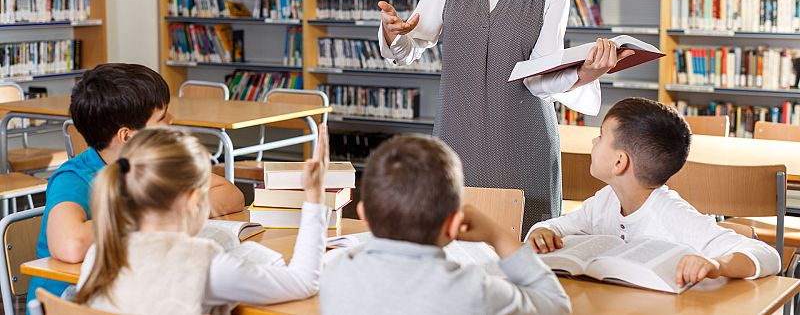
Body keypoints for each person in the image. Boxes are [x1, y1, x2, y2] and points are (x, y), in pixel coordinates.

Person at [377, 0, 631, 230]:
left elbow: (542, 75)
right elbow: (410, 46)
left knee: (528, 245)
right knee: (452, 242)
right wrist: (392, 33)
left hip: (523, 139)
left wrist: (586, 73)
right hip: (456, 134)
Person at [28, 63, 244, 305]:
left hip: (127, 291)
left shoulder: (155, 162)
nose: (172, 120)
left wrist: (167, 212)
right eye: (162, 117)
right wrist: (149, 215)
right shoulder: (73, 178)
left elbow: (231, 195)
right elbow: (71, 245)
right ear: (128, 135)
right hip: (71, 303)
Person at [75, 126, 332, 314]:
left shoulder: (100, 252)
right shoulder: (205, 263)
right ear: (193, 200)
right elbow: (303, 281)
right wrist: (315, 195)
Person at [526, 97, 781, 285]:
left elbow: (768, 255)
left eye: (601, 136)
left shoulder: (672, 215)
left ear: (619, 162)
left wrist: (716, 264)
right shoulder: (605, 200)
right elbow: (562, 225)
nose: (594, 141)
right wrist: (543, 231)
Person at [320, 134, 571, 315]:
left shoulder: (336, 274)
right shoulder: (475, 291)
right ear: (454, 225)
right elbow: (557, 305)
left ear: (363, 215)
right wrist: (496, 234)